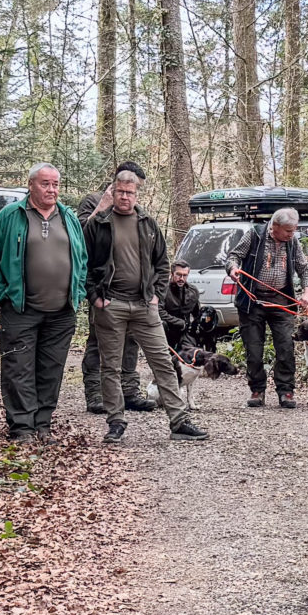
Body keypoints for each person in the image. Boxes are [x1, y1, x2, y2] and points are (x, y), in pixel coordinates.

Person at [81, 168, 207, 444]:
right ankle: (116, 422)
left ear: (136, 194)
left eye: (130, 192)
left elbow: (162, 263)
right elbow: (83, 262)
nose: (124, 197)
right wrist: (95, 297)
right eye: (120, 192)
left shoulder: (147, 223)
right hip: (110, 304)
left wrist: (156, 296)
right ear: (112, 192)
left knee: (162, 361)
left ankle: (179, 421)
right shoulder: (98, 223)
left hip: (144, 305)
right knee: (110, 367)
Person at [0, 163, 86, 441]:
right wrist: (3, 296)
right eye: (45, 183)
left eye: (55, 184)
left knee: (51, 371)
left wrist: (78, 293)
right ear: (31, 185)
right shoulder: (10, 216)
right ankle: (21, 428)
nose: (52, 189)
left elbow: (82, 259)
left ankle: (42, 425)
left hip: (62, 312)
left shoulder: (68, 217)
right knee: (18, 368)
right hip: (20, 310)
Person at [80, 161, 153, 415]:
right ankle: (95, 393)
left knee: (131, 341)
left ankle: (129, 391)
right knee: (98, 340)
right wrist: (103, 205)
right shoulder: (92, 201)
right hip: (103, 289)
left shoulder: (137, 210)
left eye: (136, 189)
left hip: (134, 293)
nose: (131, 193)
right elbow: (78, 239)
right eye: (128, 187)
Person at [233, 208, 308, 408]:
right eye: (288, 230)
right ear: (275, 226)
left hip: (281, 301)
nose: (292, 234)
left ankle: (286, 391)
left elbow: (304, 269)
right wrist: (232, 268)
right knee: (254, 349)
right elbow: (234, 256)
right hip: (252, 301)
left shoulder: (292, 242)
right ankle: (257, 390)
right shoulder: (254, 235)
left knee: (286, 347)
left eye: (293, 230)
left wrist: (307, 292)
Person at [160, 260, 217, 359]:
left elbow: (197, 314)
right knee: (162, 324)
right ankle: (164, 355)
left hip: (185, 331)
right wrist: (179, 322)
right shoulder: (163, 290)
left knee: (209, 316)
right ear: (172, 274)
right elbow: (158, 312)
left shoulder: (192, 291)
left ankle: (209, 358)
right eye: (178, 275)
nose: (181, 278)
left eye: (185, 275)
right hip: (167, 330)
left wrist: (204, 323)